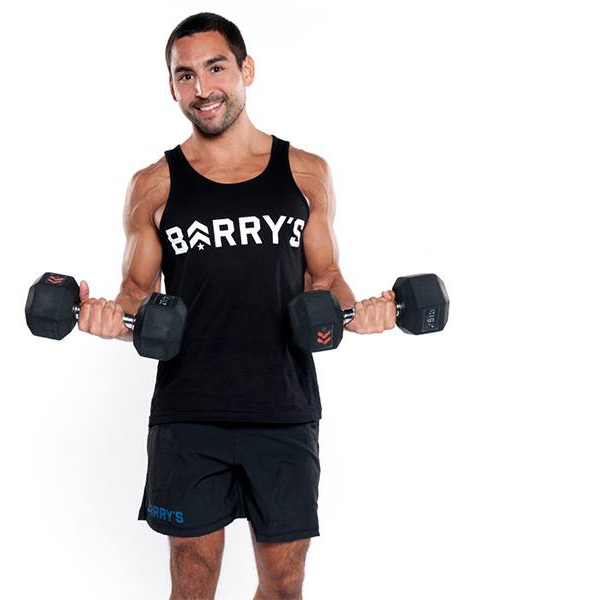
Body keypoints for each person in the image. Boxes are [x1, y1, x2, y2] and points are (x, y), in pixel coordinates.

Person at [75, 12, 397, 600]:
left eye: (215, 67)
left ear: (246, 70)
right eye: (185, 76)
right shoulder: (155, 184)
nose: (202, 88)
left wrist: (367, 312)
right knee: (193, 581)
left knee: (284, 581)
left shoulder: (305, 173)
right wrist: (105, 318)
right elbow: (135, 300)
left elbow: (326, 279)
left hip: (284, 408)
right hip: (189, 413)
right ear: (172, 87)